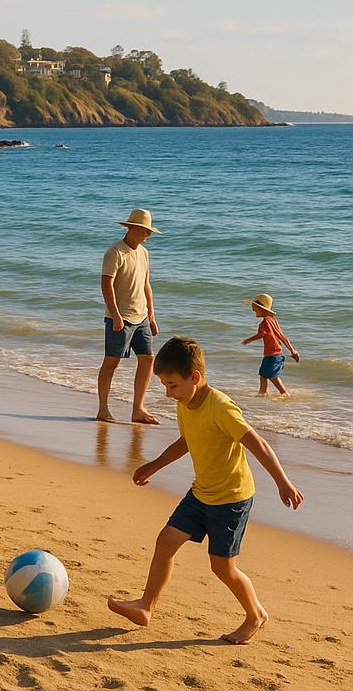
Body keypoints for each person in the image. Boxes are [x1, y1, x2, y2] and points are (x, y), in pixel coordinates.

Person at [107, 336, 304, 645]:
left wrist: (283, 482)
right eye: (164, 386)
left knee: (222, 568)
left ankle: (255, 615)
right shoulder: (186, 403)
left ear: (194, 378)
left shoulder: (221, 408)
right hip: (201, 493)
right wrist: (153, 465)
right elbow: (186, 442)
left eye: (172, 385)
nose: (168, 393)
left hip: (231, 500)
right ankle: (146, 606)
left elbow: (258, 444)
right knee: (165, 541)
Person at [97, 208, 161, 424]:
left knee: (148, 359)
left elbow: (146, 285)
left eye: (149, 231)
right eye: (145, 231)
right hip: (120, 318)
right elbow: (106, 285)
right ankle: (103, 409)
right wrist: (115, 315)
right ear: (132, 228)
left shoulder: (143, 253)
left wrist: (151, 315)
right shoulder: (115, 252)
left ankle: (138, 409)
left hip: (141, 317)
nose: (148, 235)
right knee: (111, 363)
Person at [241, 294, 300, 397]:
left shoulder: (264, 323)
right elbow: (283, 337)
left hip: (272, 354)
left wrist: (248, 340)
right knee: (263, 374)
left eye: (254, 308)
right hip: (275, 354)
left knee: (272, 376)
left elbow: (261, 334)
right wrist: (293, 350)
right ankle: (262, 393)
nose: (253, 310)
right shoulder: (274, 321)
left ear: (261, 309)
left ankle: (284, 392)